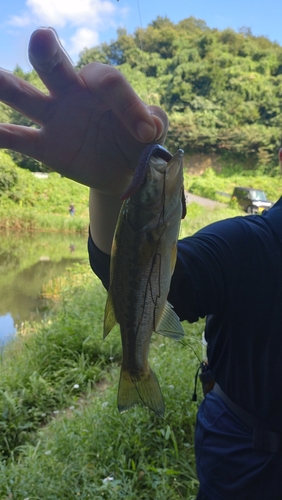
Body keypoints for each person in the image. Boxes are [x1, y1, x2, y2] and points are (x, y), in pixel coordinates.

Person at [0, 28, 281, 500]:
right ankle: (135, 369)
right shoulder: (251, 243)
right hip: (245, 463)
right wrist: (114, 187)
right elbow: (164, 280)